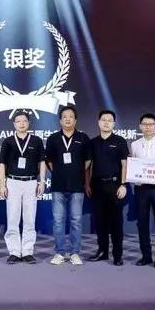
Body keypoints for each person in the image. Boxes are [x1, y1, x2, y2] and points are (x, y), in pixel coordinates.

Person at [0, 111, 46, 264]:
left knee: (29, 218)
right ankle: (14, 252)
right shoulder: (8, 141)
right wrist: (2, 185)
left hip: (31, 182)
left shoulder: (36, 141)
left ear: (28, 123)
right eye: (18, 121)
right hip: (12, 182)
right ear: (14, 124)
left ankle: (27, 251)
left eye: (24, 121)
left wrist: (42, 182)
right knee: (12, 218)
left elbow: (42, 162)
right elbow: (2, 164)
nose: (21, 124)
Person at [45, 105, 90, 266]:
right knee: (58, 221)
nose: (68, 119)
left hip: (77, 185)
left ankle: (75, 253)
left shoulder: (83, 138)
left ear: (75, 120)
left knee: (76, 220)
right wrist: (60, 172)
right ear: (60, 120)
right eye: (64, 117)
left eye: (71, 116)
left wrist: (76, 172)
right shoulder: (53, 138)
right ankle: (59, 252)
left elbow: (88, 161)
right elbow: (49, 161)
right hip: (58, 185)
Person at [86, 110, 129, 266]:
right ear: (98, 122)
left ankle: (118, 255)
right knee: (100, 222)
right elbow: (88, 166)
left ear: (114, 124)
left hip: (114, 186)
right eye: (103, 120)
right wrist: (87, 184)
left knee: (116, 222)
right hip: (96, 186)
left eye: (109, 120)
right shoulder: (92, 142)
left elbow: (125, 164)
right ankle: (102, 251)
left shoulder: (120, 141)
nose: (106, 122)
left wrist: (123, 185)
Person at [129, 113, 155, 268]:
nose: (148, 127)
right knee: (142, 223)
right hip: (141, 189)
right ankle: (146, 256)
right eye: (145, 124)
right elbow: (133, 166)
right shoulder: (134, 144)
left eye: (151, 124)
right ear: (140, 126)